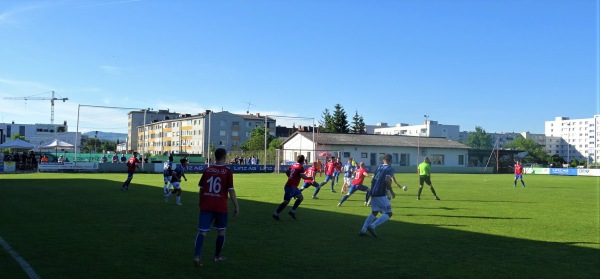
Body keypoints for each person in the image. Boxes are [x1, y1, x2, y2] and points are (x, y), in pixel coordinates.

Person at [194, 148, 239, 267]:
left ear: (215, 157)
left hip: (206, 205)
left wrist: (201, 202)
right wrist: (236, 206)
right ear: (224, 157)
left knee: (202, 232)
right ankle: (217, 257)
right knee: (221, 232)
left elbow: (201, 188)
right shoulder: (227, 171)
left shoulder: (208, 170)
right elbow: (231, 190)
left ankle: (197, 257)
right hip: (221, 206)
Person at [359, 154, 396, 237]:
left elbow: (373, 180)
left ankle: (363, 230)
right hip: (380, 194)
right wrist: (391, 192)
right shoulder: (390, 168)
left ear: (383, 160)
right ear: (391, 161)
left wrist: (373, 190)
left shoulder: (378, 168)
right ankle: (372, 226)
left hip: (373, 192)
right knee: (389, 213)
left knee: (374, 212)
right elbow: (387, 180)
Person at [272, 154, 311, 220]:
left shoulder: (292, 165)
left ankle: (292, 211)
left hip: (294, 187)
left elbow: (287, 171)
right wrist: (309, 177)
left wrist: (290, 177)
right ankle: (276, 214)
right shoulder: (300, 167)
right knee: (286, 201)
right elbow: (302, 176)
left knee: (300, 198)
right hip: (290, 187)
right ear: (303, 160)